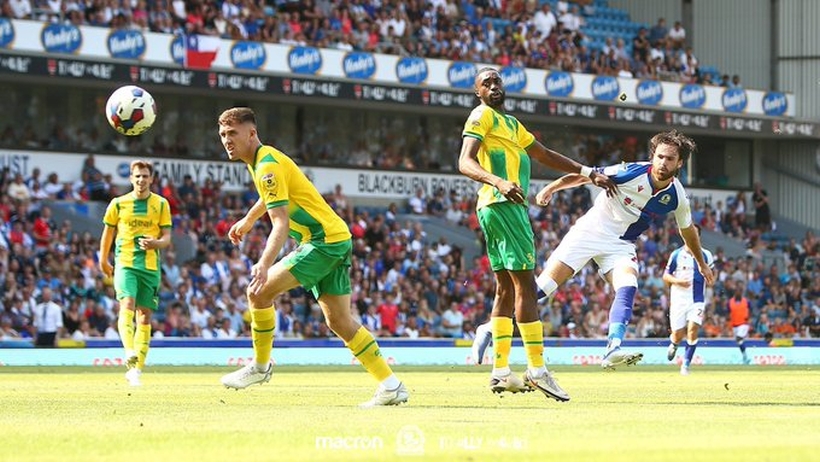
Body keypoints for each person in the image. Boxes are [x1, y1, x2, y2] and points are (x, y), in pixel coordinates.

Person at [475, 130, 715, 372]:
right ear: (653, 156)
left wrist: (702, 264)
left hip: (619, 245)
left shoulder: (677, 195)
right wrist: (551, 188)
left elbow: (687, 231)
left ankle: (613, 348)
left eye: (670, 159)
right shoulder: (629, 172)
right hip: (589, 232)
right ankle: (489, 327)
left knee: (628, 284)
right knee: (544, 288)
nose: (663, 163)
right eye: (660, 157)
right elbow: (584, 175)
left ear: (680, 163)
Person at [216, 107, 408, 407]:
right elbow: (271, 198)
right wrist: (250, 219)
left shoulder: (266, 165)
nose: (227, 140)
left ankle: (261, 366)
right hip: (336, 237)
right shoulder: (263, 161)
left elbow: (280, 222)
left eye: (233, 134)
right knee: (340, 322)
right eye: (223, 134)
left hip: (323, 242)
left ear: (252, 133)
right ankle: (391, 385)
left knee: (259, 291)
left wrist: (264, 264)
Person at [459, 67, 616, 402]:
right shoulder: (482, 115)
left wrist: (587, 172)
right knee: (526, 287)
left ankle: (500, 372)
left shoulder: (512, 125)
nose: (493, 86)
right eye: (486, 83)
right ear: (478, 93)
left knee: (504, 289)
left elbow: (544, 155)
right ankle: (537, 369)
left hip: (498, 208)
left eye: (497, 80)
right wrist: (499, 182)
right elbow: (465, 162)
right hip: (503, 205)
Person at [99, 160, 172, 386]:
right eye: (137, 176)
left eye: (145, 176)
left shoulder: (161, 205)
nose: (141, 180)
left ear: (151, 179)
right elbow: (108, 234)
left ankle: (136, 370)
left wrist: (156, 243)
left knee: (145, 317)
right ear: (131, 179)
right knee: (126, 305)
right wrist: (103, 259)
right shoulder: (118, 204)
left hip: (150, 267)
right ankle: (129, 350)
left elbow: (167, 238)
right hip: (125, 263)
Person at [663, 225, 714, 375]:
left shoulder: (706, 255)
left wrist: (710, 279)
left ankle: (685, 365)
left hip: (697, 299)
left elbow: (712, 275)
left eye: (695, 234)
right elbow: (666, 276)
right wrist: (678, 282)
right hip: (678, 300)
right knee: (678, 334)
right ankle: (674, 343)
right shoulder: (676, 255)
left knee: (692, 330)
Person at [728, 285, 752, 364]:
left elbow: (750, 310)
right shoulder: (730, 302)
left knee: (739, 338)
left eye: (739, 291)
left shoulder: (746, 301)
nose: (738, 293)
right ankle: (745, 357)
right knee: (739, 342)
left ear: (741, 292)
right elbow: (729, 313)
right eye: (736, 291)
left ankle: (745, 356)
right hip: (735, 325)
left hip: (743, 324)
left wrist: (749, 319)